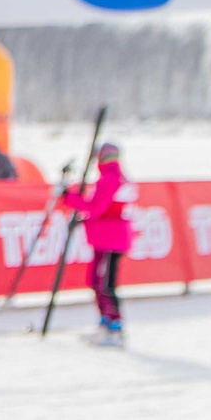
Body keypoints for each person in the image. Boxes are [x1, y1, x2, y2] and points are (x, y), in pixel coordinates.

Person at [58, 140, 135, 346]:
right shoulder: (114, 178)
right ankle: (105, 322)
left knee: (105, 283)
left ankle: (115, 326)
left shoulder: (109, 179)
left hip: (111, 240)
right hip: (105, 237)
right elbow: (105, 210)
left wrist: (70, 198)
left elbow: (96, 208)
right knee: (96, 281)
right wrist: (84, 219)